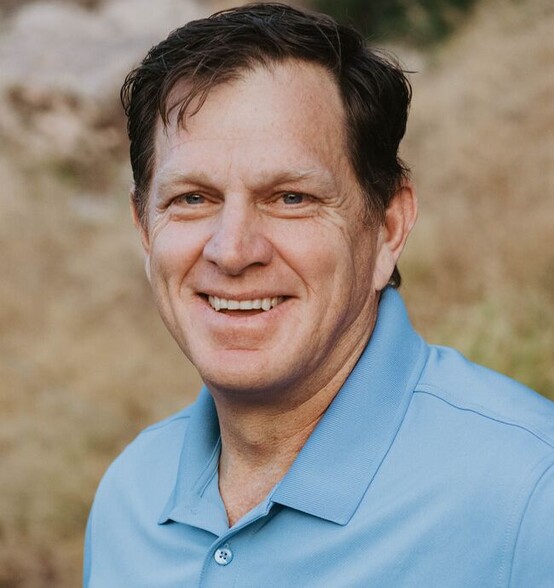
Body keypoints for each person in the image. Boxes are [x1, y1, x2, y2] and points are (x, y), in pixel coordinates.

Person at [83, 3, 554, 586]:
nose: (233, 251)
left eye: (291, 198)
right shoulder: (129, 498)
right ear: (144, 230)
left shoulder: (530, 497)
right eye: (192, 199)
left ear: (388, 228)